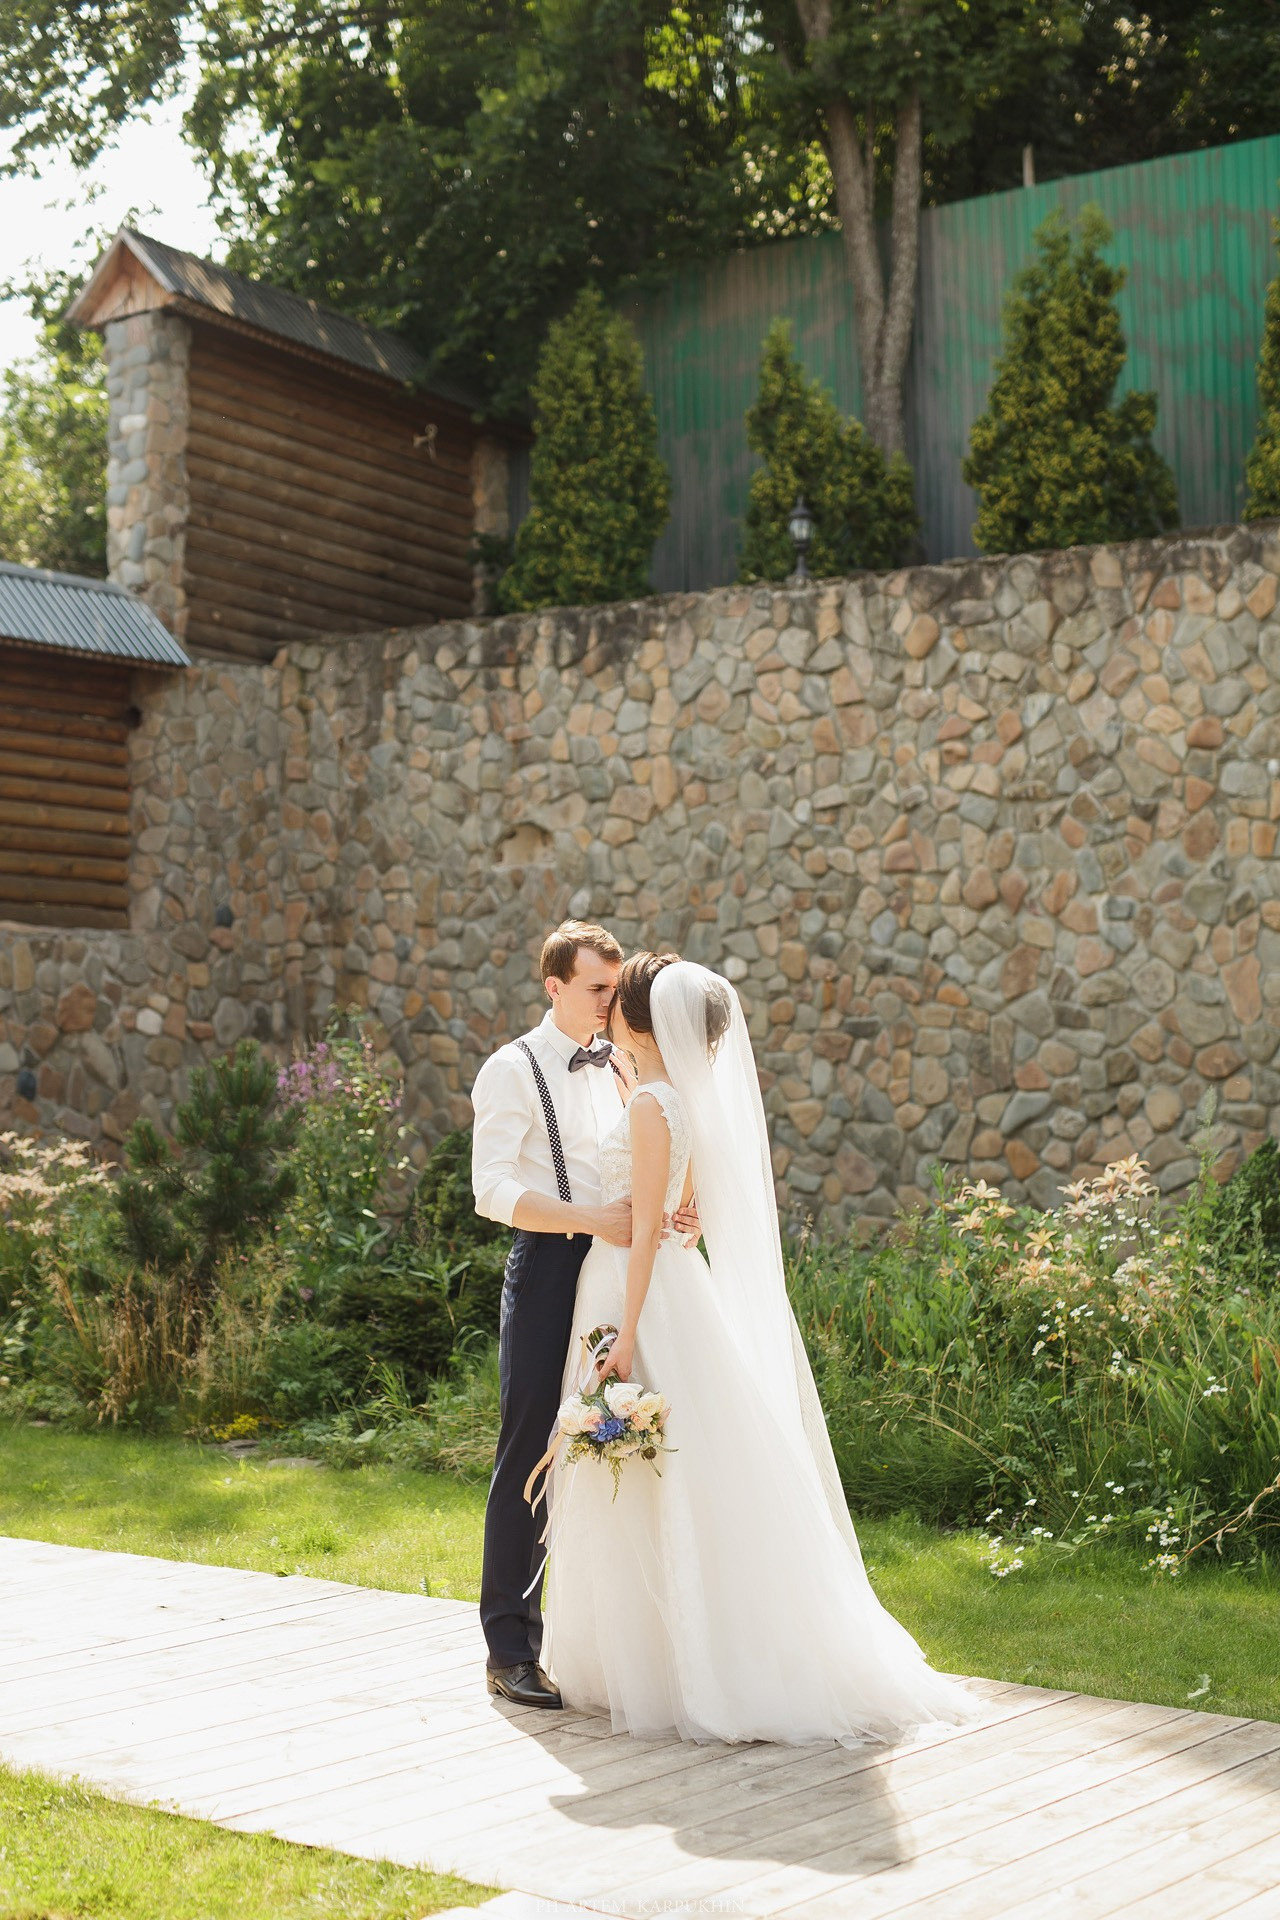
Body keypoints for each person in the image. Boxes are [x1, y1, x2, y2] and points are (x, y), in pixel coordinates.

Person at [538, 952, 981, 1747]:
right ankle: (670, 1655)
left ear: (642, 1021)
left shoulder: (652, 1106)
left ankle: (670, 1664)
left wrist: (626, 1333)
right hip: (673, 1289)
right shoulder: (678, 1101)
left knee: (654, 1466)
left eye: (621, 1001)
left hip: (638, 1294)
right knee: (674, 1463)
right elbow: (687, 1210)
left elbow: (644, 1232)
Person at [469, 921, 697, 1709]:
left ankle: (625, 1650)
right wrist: (588, 1218)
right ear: (554, 985)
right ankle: (510, 1650)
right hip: (550, 1267)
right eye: (598, 987)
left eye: (614, 987)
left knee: (632, 1442)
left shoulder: (623, 1066)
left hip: (623, 1275)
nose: (610, 1000)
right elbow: (491, 1189)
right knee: (532, 1449)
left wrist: (675, 1212)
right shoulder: (512, 1068)